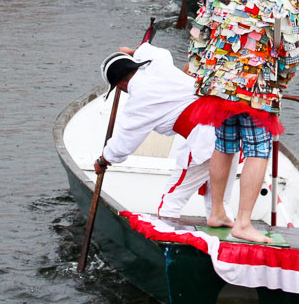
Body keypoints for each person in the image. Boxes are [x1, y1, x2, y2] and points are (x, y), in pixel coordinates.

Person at [190, 0, 299, 244]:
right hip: (257, 89)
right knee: (257, 150)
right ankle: (242, 222)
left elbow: (198, 31)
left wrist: (200, 70)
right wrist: (280, 82)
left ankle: (216, 212)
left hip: (218, 83)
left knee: (224, 145)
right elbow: (293, 54)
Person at [93, 42, 225, 220]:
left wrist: (103, 160)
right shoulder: (157, 63)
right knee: (218, 203)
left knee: (170, 202)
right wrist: (133, 51)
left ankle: (169, 244)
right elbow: (153, 50)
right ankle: (220, 234)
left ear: (120, 85)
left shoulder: (138, 102)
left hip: (206, 139)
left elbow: (123, 145)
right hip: (230, 130)